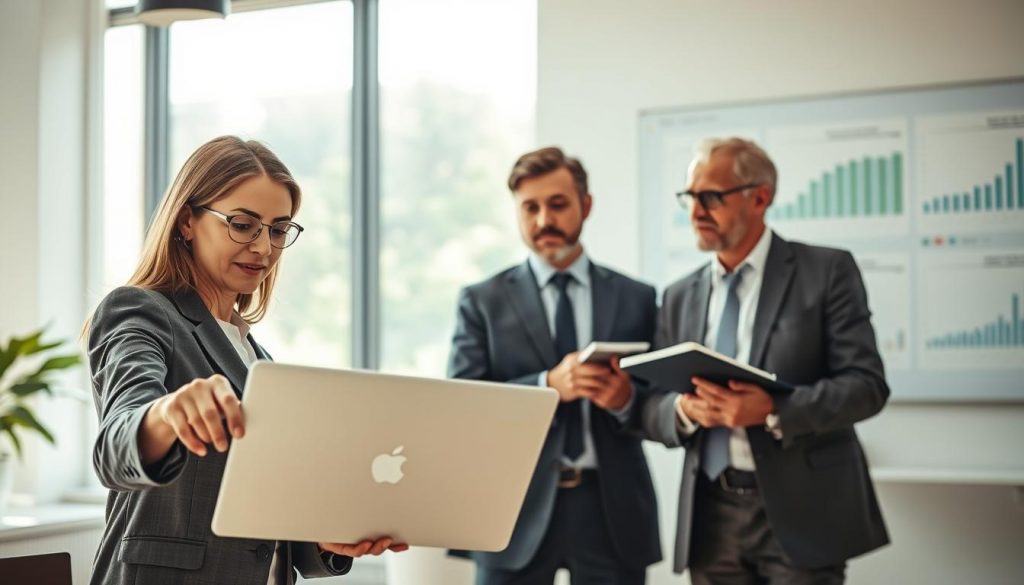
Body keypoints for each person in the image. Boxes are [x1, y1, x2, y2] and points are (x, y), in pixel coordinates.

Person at [87, 136, 406, 585]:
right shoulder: (140, 310)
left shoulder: (257, 357)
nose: (263, 248)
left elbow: (267, 514)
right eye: (242, 224)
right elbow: (115, 445)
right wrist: (166, 414)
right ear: (186, 222)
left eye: (278, 229)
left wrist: (325, 539)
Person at [640, 137, 890, 584]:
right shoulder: (678, 296)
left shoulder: (826, 272)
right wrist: (681, 411)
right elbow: (651, 404)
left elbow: (867, 386)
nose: (695, 211)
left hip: (802, 511)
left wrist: (774, 409)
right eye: (690, 197)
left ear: (760, 197)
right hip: (710, 516)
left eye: (710, 197)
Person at [447, 147, 661, 584]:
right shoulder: (482, 300)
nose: (544, 219)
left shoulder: (636, 297)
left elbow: (660, 400)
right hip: (512, 511)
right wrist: (547, 385)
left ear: (586, 205)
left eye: (558, 204)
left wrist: (625, 399)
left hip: (612, 511)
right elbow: (462, 405)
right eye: (530, 207)